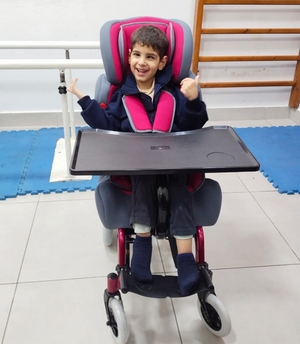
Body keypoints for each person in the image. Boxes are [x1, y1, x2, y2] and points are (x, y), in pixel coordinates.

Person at [68, 25, 208, 296]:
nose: (142, 62)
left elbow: (191, 126)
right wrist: (85, 100)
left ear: (163, 62)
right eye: (137, 55)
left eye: (150, 57)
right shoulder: (121, 96)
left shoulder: (174, 94)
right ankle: (141, 250)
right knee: (143, 180)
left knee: (180, 189)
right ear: (129, 56)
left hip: (172, 160)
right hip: (137, 162)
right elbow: (109, 124)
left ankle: (186, 259)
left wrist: (193, 101)